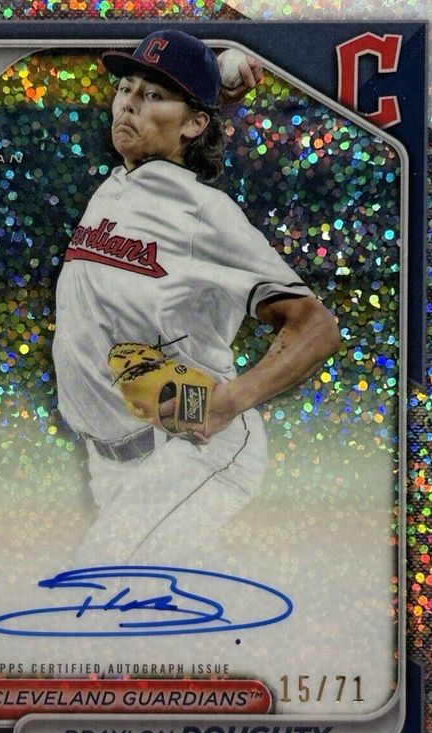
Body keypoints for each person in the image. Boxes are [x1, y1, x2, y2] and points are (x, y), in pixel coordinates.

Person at [52, 29, 340, 566]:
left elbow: (316, 326)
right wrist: (201, 98)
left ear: (192, 124)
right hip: (111, 464)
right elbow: (177, 133)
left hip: (196, 450)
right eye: (126, 88)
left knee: (98, 582)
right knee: (169, 603)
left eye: (152, 95)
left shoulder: (203, 211)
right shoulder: (118, 184)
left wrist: (229, 402)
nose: (129, 103)